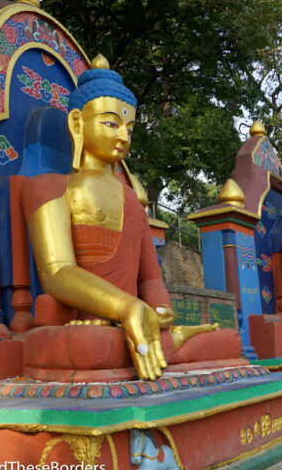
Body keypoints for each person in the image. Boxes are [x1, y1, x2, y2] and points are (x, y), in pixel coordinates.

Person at [20, 57, 229, 381]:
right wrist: (126, 308)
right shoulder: (47, 187)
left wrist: (159, 312)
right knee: (93, 346)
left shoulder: (131, 199)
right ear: (77, 123)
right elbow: (58, 274)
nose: (123, 136)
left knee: (228, 341)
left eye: (129, 128)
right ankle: (161, 343)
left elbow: (150, 280)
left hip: (135, 322)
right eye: (111, 123)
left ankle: (162, 340)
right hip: (86, 325)